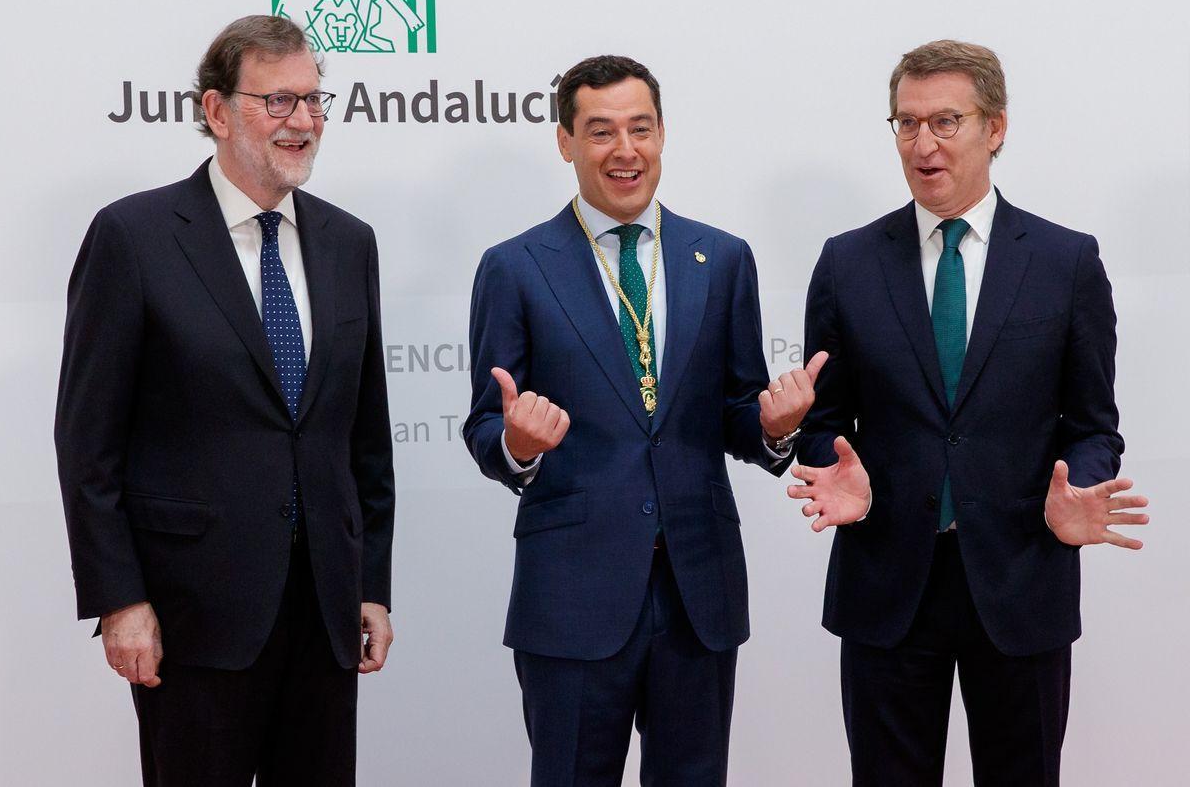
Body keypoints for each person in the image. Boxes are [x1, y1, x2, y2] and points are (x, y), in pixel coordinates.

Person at [789, 39, 1149, 785]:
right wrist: (835, 471)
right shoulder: (847, 263)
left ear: (996, 128)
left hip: (1022, 577)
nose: (923, 143)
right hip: (888, 581)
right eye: (907, 123)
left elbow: (1092, 425)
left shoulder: (1065, 262)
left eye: (945, 121)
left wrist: (1078, 488)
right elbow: (824, 424)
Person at [464, 54, 824, 786]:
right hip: (573, 592)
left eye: (640, 129)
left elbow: (737, 411)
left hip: (698, 590)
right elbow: (484, 428)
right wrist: (517, 445)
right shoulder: (516, 266)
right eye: (601, 132)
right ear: (565, 142)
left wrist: (775, 427)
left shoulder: (722, 258)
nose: (624, 151)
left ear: (662, 134)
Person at [54, 14, 395, 787]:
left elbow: (364, 439)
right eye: (278, 102)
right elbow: (88, 443)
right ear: (216, 111)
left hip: (325, 615)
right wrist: (120, 600)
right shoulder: (134, 236)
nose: (303, 121)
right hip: (192, 617)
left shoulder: (350, 242)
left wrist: (371, 586)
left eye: (313, 100)